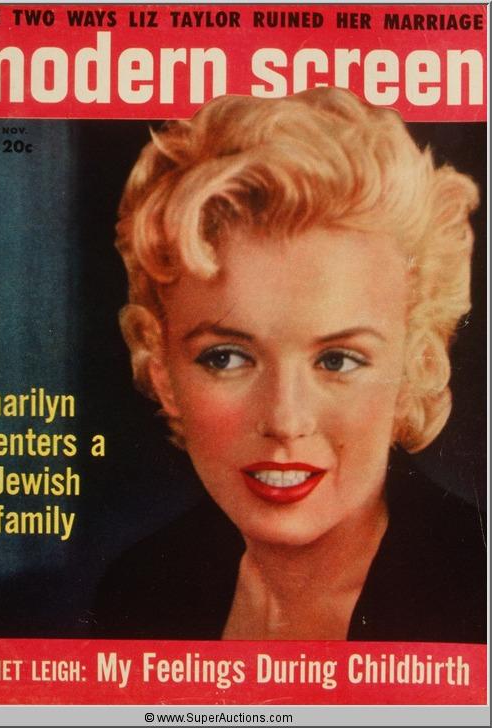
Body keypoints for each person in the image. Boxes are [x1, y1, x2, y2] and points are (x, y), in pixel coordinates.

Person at [94, 88, 485, 642]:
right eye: (227, 357)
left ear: (414, 367)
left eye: (337, 360)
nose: (285, 418)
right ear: (161, 369)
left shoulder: (476, 595)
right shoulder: (139, 591)